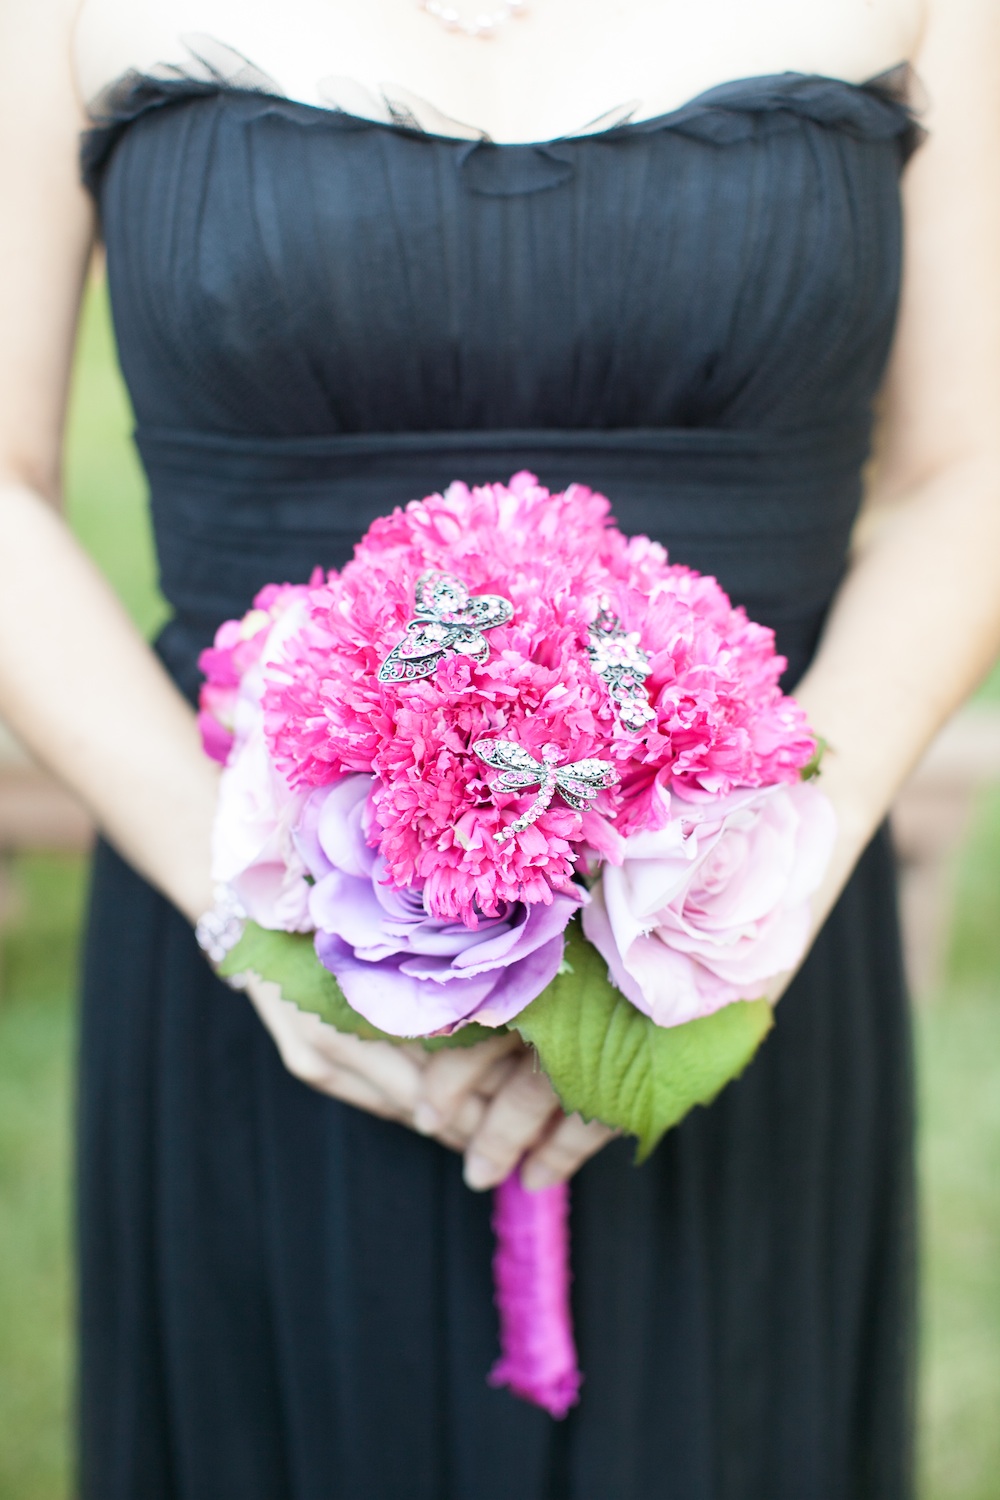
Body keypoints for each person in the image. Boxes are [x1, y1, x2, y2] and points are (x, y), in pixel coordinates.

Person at [2, 0, 999, 1494]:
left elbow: (967, 469)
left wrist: (758, 881)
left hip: (737, 949)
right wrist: (247, 900)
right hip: (249, 965)